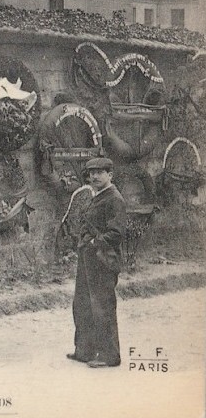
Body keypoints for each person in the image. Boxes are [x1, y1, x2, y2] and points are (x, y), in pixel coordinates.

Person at [68, 157, 127, 368]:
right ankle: (85, 350)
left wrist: (94, 242)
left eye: (100, 172)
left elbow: (117, 233)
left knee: (102, 306)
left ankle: (110, 355)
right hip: (88, 258)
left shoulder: (114, 199)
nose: (94, 176)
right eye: (91, 172)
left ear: (110, 175)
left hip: (103, 259)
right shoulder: (98, 196)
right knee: (82, 303)